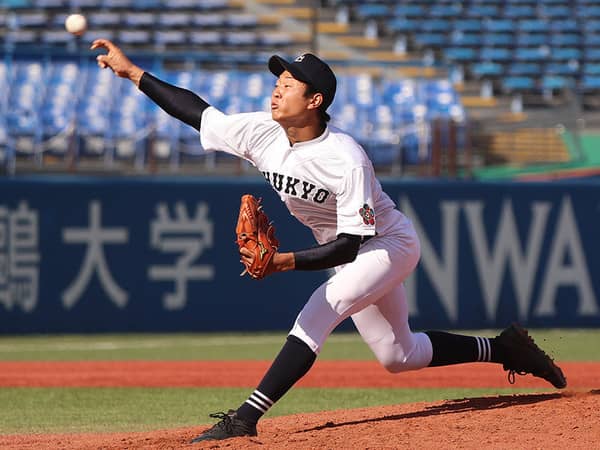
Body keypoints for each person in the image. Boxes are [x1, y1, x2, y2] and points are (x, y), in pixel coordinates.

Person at [91, 39, 567, 443]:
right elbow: (199, 114)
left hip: (386, 244)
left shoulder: (345, 157)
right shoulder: (263, 132)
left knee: (323, 306)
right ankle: (505, 348)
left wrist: (283, 262)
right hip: (345, 249)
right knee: (399, 356)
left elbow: (349, 246)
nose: (277, 88)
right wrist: (133, 73)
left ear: (315, 100)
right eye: (278, 80)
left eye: (289, 83)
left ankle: (245, 418)